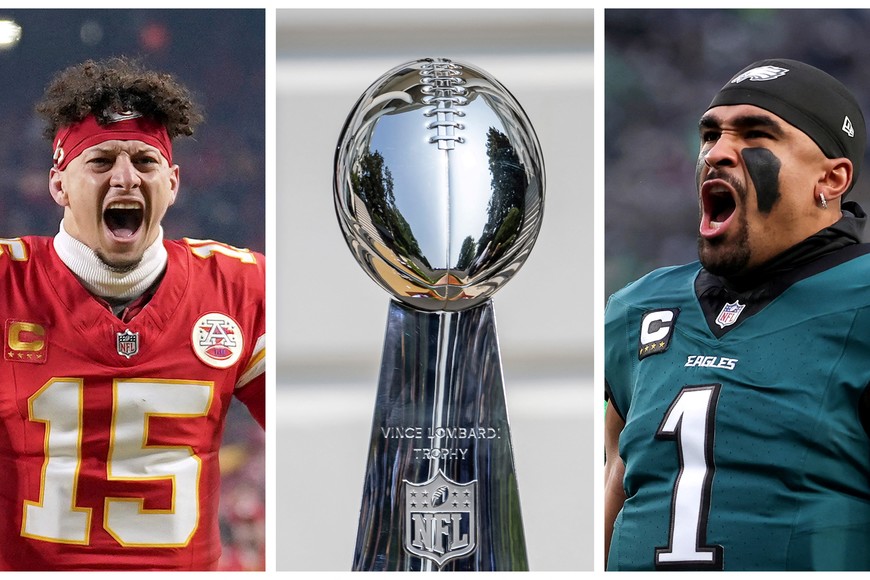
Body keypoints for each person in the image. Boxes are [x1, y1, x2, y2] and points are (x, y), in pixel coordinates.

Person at [604, 58, 870, 570]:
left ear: (832, 178)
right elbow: (618, 476)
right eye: (710, 135)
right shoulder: (637, 307)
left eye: (755, 134)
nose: (715, 153)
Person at [0, 57, 265, 570]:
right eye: (101, 161)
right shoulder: (8, 283)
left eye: (145, 161)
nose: (126, 178)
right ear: (58, 184)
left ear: (173, 183)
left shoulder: (241, 288)